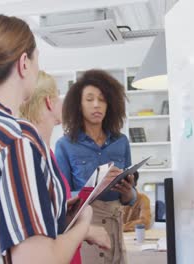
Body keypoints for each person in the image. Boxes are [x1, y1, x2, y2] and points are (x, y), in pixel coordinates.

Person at [0, 15, 109, 264]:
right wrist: (83, 224)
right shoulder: (16, 140)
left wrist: (54, 210)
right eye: (37, 59)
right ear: (24, 63)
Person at [19, 70, 110, 264]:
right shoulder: (29, 156)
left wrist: (63, 211)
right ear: (49, 102)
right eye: (58, 95)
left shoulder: (47, 153)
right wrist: (86, 225)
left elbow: (47, 220)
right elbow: (39, 241)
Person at [55, 69, 137, 264]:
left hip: (116, 227)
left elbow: (131, 195)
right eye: (89, 99)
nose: (96, 105)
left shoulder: (121, 141)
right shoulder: (65, 145)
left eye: (102, 99)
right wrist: (95, 188)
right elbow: (63, 198)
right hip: (86, 231)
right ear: (78, 105)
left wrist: (128, 193)